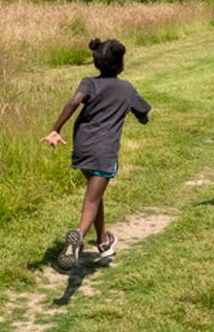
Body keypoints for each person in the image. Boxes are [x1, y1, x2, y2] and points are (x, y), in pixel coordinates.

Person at [45, 38, 151, 270]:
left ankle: (103, 241)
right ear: (120, 64)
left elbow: (74, 102)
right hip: (104, 152)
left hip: (82, 148)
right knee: (92, 200)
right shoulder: (126, 89)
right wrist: (142, 117)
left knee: (95, 194)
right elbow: (143, 114)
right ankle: (78, 236)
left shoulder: (88, 83)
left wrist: (56, 129)